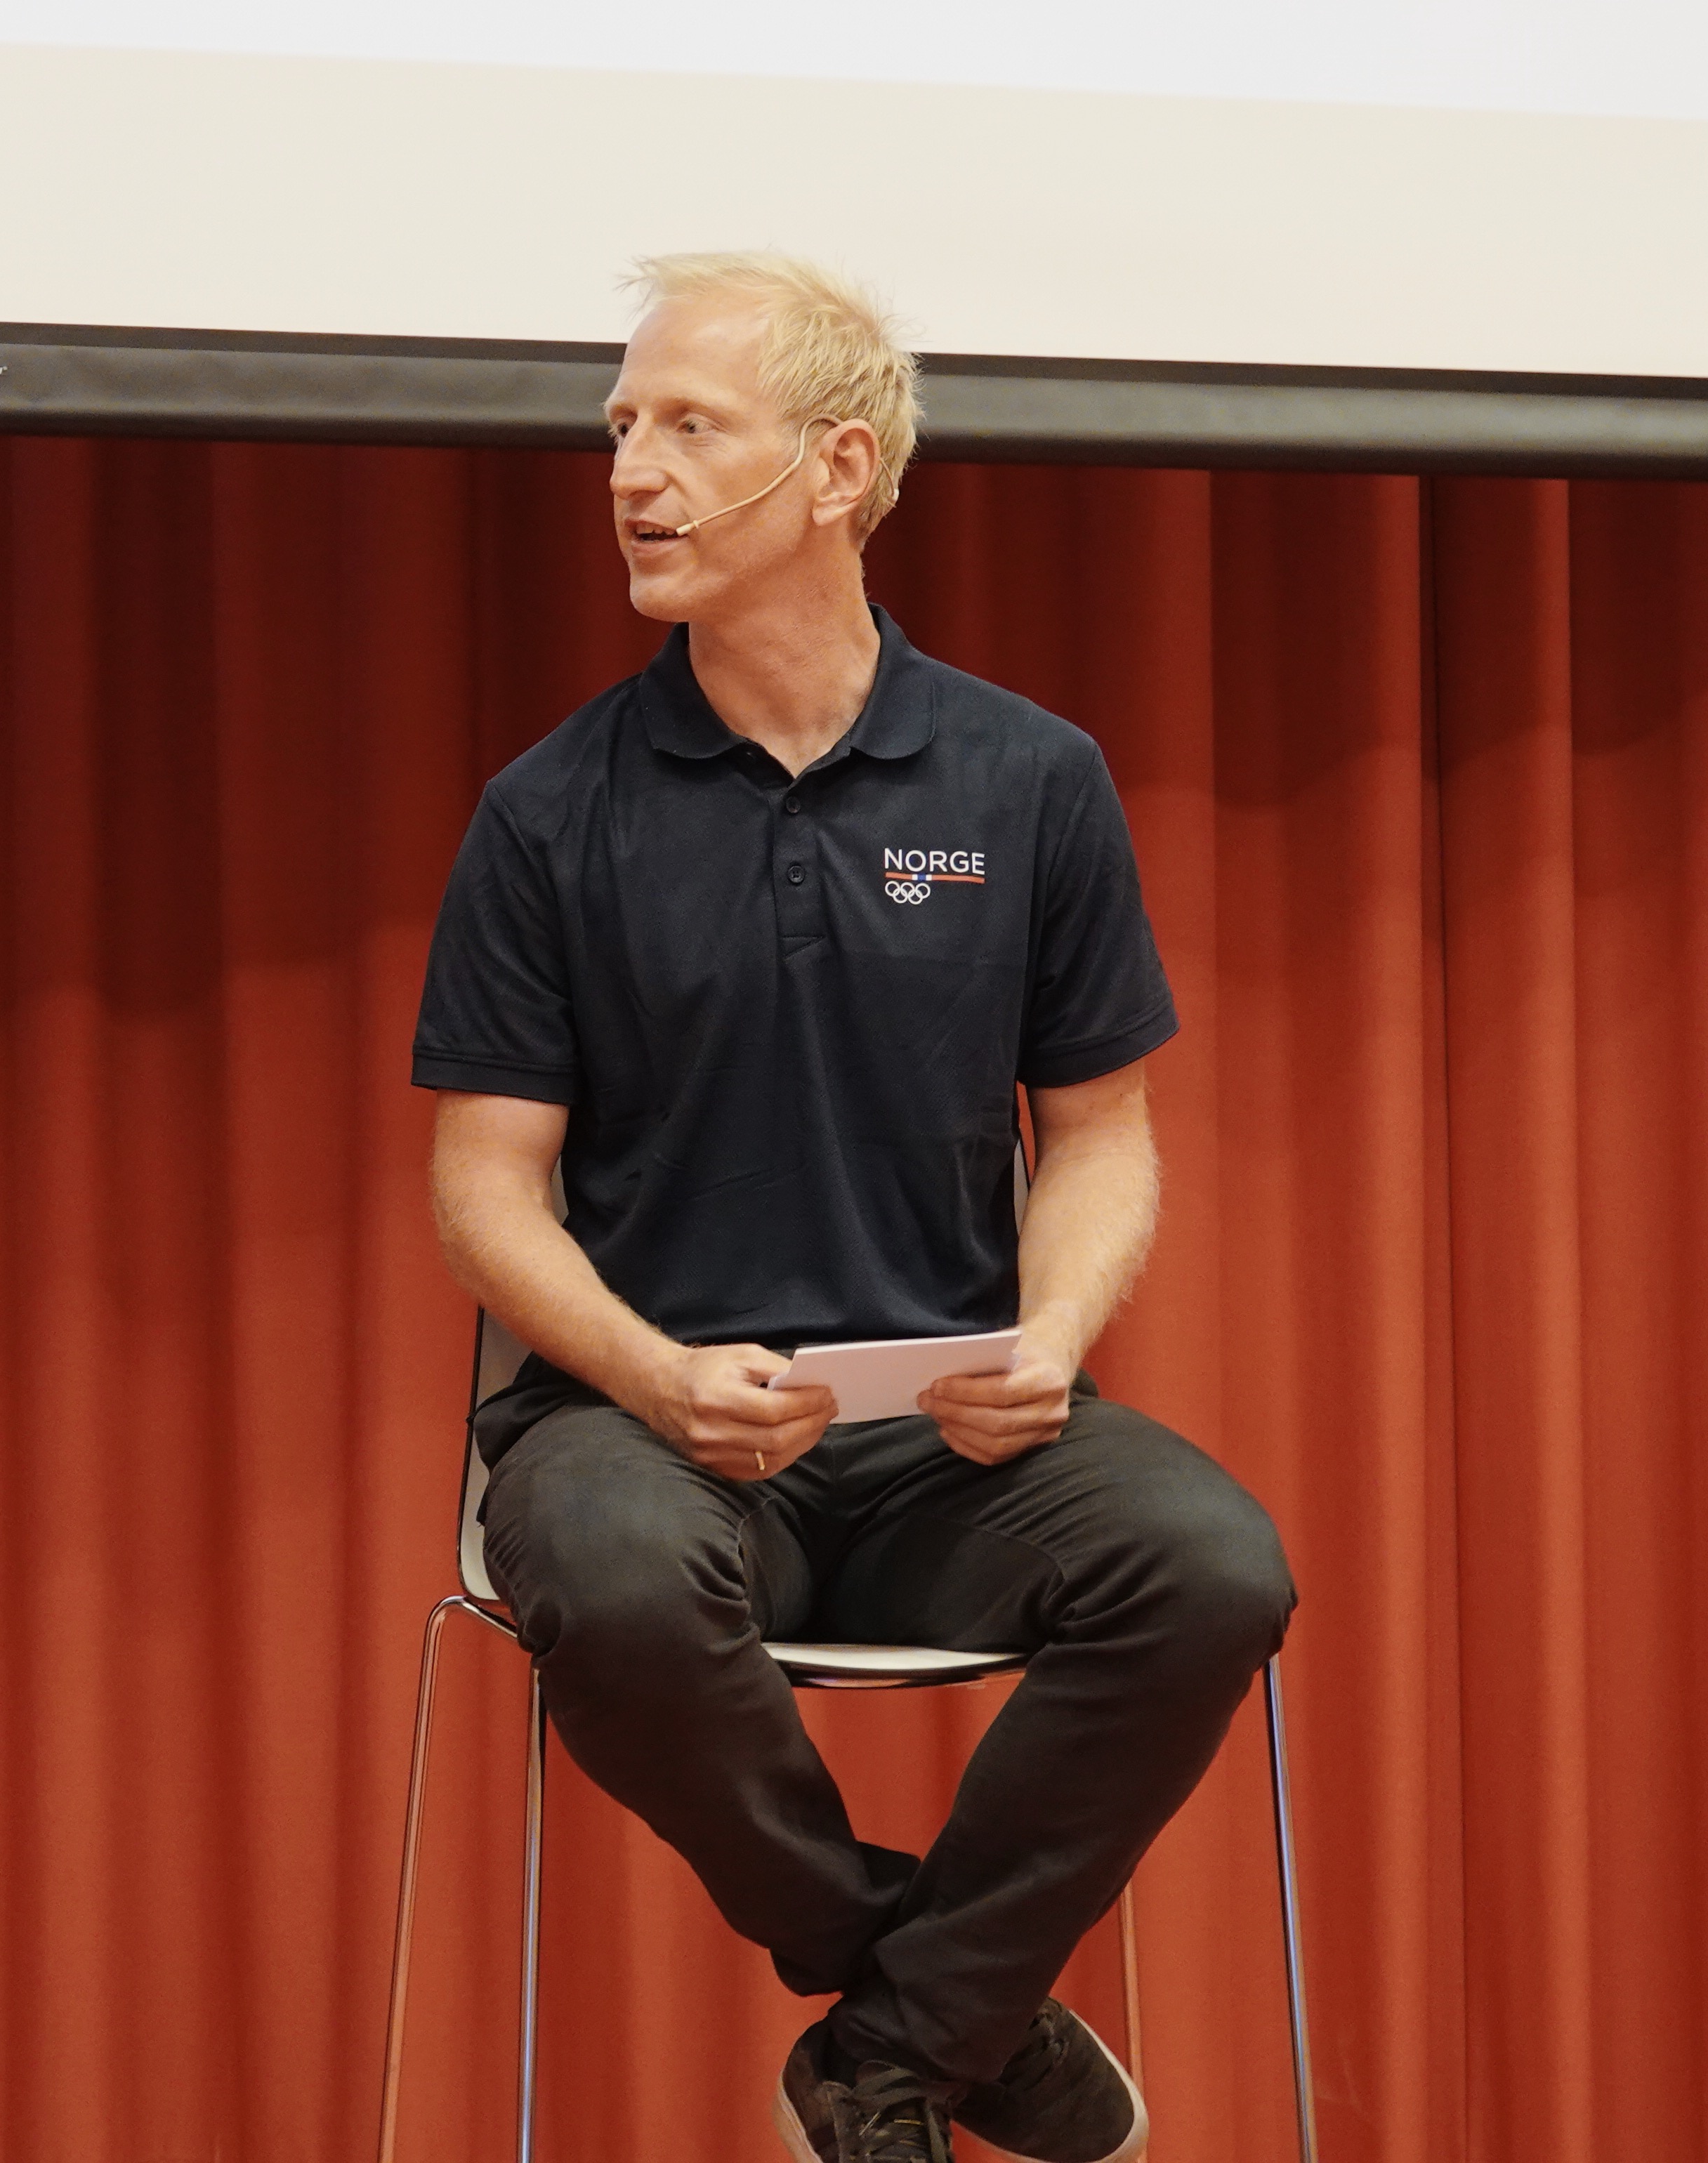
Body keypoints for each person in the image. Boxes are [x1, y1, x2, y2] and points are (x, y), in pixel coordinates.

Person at [412, 253, 1294, 2163]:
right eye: (622, 428)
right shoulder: (550, 813)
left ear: (836, 467)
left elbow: (1104, 1138)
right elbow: (482, 1196)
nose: (630, 468)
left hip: (938, 1451)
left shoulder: (1026, 778)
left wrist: (1051, 1342)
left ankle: (885, 2058)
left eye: (686, 427)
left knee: (1213, 1568)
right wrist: (653, 1378)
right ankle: (939, 2004)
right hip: (646, 1432)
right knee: (614, 1579)